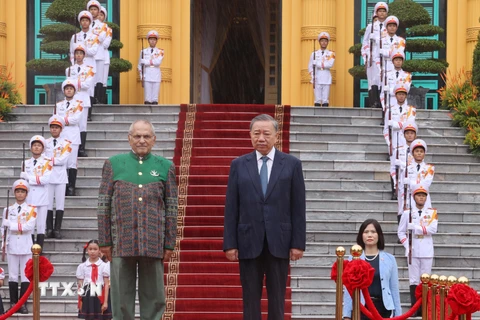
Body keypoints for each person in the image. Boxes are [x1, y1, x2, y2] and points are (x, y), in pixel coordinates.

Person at [223, 114, 306, 320]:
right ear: (250, 136)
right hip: (248, 239)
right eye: (256, 133)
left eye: (266, 133)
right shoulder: (239, 165)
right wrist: (230, 243)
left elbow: (298, 207)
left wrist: (298, 243)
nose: (261, 138)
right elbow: (232, 206)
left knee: (277, 298)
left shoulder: (291, 164)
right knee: (250, 297)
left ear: (276, 136)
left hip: (279, 240)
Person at [97, 119, 178, 319]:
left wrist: (169, 243)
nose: (142, 140)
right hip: (121, 242)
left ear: (154, 140)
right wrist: (105, 241)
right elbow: (103, 205)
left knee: (154, 298)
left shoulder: (165, 166)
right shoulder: (113, 164)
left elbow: (172, 208)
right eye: (137, 136)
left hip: (153, 242)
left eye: (146, 136)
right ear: (129, 139)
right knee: (121, 298)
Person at [343, 219, 402, 320]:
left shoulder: (390, 259)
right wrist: (347, 315)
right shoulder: (353, 258)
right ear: (361, 235)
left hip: (383, 308)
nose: (369, 235)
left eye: (373, 232)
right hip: (361, 308)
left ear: (379, 235)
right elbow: (349, 290)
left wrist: (399, 315)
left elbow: (394, 289)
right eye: (366, 232)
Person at [398, 184, 438, 314]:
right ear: (414, 197)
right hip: (413, 250)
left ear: (426, 198)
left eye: (423, 196)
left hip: (426, 250)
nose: (421, 198)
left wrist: (416, 228)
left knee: (426, 279)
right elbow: (401, 232)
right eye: (418, 195)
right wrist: (407, 246)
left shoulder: (432, 213)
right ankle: (415, 308)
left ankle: (425, 306)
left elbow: (433, 229)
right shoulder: (407, 213)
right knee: (414, 279)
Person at [2, 180, 37, 314]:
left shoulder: (32, 210)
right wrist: (3, 243)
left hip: (25, 244)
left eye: (22, 191)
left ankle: (22, 304)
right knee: (12, 276)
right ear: (14, 193)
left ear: (26, 194)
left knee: (25, 276)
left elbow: (29, 227)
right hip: (11, 244)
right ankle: (13, 303)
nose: (20, 194)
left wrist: (10, 225)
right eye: (18, 191)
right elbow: (2, 230)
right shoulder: (8, 210)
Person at [383, 84, 416, 200]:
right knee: (394, 167)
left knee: (407, 166)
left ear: (406, 96)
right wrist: (389, 143)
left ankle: (407, 190)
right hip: (394, 144)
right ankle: (394, 190)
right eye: (399, 94)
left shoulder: (411, 110)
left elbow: (410, 124)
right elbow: (386, 129)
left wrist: (397, 125)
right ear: (396, 95)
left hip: (407, 143)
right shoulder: (390, 110)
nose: (401, 97)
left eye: (403, 94)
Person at [20, 135, 52, 250]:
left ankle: (39, 249)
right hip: (29, 198)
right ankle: (30, 247)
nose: (37, 147)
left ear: (43, 148)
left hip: (42, 197)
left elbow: (45, 180)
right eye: (34, 145)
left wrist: (29, 178)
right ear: (31, 148)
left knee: (41, 225)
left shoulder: (47, 163)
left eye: (39, 145)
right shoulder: (25, 163)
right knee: (30, 224)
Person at [55, 79, 84, 196]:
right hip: (61, 135)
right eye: (67, 89)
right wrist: (65, 120)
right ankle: (64, 184)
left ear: (74, 91)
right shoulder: (58, 105)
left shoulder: (79, 104)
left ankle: (71, 186)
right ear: (64, 91)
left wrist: (63, 120)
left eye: (71, 89)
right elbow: (55, 119)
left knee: (72, 162)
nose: (69, 90)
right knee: (63, 161)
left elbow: (76, 119)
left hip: (73, 135)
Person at [45, 115, 72, 239]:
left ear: (61, 129)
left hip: (61, 176)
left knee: (60, 204)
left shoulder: (66, 143)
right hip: (48, 176)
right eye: (52, 127)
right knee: (48, 203)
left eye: (57, 127)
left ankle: (57, 229)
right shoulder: (45, 143)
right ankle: (49, 228)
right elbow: (43, 159)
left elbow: (62, 160)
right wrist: (52, 160)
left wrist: (50, 160)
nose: (54, 130)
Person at [66, 45, 95, 157]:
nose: (78, 55)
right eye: (76, 53)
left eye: (80, 53)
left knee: (82, 125)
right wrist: (78, 84)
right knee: (73, 124)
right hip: (72, 100)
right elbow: (67, 86)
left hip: (83, 99)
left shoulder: (89, 70)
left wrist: (74, 83)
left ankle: (81, 148)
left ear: (84, 55)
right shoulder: (69, 70)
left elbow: (87, 85)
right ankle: (72, 147)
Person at [362, 2, 389, 108]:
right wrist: (366, 56)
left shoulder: (389, 27)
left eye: (384, 11)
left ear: (386, 13)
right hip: (373, 58)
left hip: (384, 58)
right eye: (380, 11)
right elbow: (365, 43)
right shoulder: (371, 27)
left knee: (383, 79)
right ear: (376, 13)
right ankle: (374, 102)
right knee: (372, 80)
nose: (382, 13)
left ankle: (382, 101)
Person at [77, 239, 111, 320]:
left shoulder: (104, 265)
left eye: (95, 249)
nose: (92, 251)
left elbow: (106, 284)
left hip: (101, 293)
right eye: (90, 249)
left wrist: (105, 302)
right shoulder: (82, 266)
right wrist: (80, 301)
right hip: (88, 294)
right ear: (87, 250)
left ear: (99, 250)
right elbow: (80, 284)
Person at [396, 122, 418, 222]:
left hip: (414, 183)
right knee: (402, 208)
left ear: (415, 135)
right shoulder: (399, 150)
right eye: (407, 133)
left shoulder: (418, 151)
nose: (409, 135)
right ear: (404, 135)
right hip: (402, 182)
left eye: (412, 133)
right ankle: (401, 234)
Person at [404, 139, 435, 209]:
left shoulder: (429, 168)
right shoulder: (407, 168)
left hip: (423, 197)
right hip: (410, 197)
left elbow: (426, 184)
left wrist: (411, 183)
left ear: (424, 153)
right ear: (412, 153)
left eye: (421, 151)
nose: (419, 153)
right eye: (417, 151)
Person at [87, 0, 107, 104]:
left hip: (99, 54)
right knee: (90, 77)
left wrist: (92, 37)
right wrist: (95, 37)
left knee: (98, 78)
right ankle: (90, 99)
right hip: (88, 55)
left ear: (98, 11)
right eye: (91, 9)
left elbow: (102, 38)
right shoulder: (86, 24)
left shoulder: (104, 26)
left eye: (95, 9)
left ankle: (96, 99)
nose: (93, 11)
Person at [308, 32, 335, 107]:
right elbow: (310, 66)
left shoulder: (331, 54)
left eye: (325, 41)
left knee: (325, 99)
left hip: (326, 77)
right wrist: (313, 76)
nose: (324, 43)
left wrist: (317, 63)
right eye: (322, 41)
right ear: (319, 42)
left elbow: (330, 64)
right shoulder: (314, 54)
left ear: (328, 42)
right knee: (317, 99)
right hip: (317, 77)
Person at [138, 30, 164, 104]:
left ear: (156, 41)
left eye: (154, 39)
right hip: (147, 75)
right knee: (147, 99)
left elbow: (157, 62)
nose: (152, 41)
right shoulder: (143, 52)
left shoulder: (160, 51)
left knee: (155, 99)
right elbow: (139, 65)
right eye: (151, 39)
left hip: (156, 75)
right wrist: (141, 76)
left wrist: (146, 62)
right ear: (148, 41)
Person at [98, 6, 112, 104]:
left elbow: (106, 44)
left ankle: (101, 99)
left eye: (101, 15)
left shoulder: (108, 29)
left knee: (103, 80)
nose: (99, 16)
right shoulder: (90, 27)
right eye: (98, 14)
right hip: (94, 57)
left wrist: (97, 39)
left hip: (104, 56)